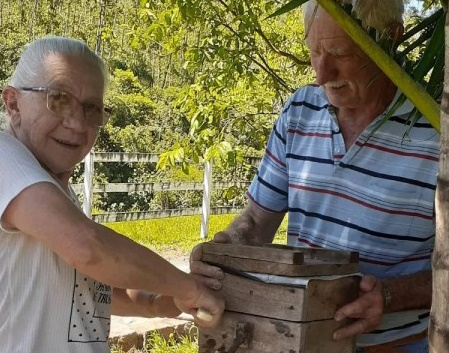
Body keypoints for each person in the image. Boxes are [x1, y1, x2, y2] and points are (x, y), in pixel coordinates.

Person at [190, 1, 439, 352]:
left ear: (391, 38)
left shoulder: (437, 131)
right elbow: (258, 220)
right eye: (314, 50)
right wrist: (229, 246)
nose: (322, 74)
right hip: (300, 342)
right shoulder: (299, 111)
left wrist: (389, 295)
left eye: (339, 52)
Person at [0, 36, 224, 353]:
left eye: (91, 108)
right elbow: (87, 249)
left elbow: (85, 285)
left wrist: (159, 302)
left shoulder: (53, 191)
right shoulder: (3, 156)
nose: (77, 123)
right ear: (13, 103)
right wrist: (187, 287)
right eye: (58, 98)